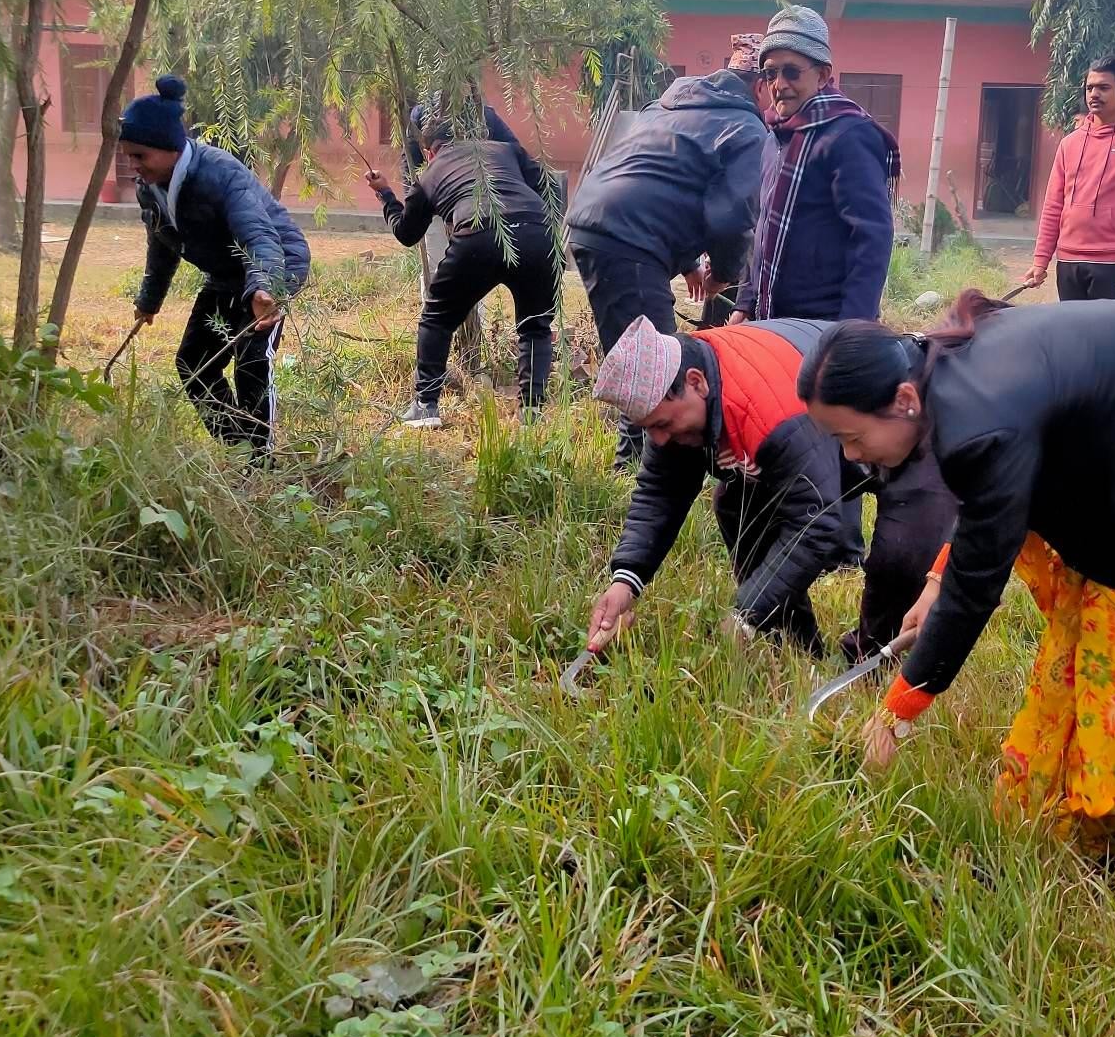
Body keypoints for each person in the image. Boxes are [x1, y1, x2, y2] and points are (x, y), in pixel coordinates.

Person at [796, 295, 1115, 852]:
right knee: (1106, 613)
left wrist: (898, 712)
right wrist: (936, 581)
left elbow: (978, 582)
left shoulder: (975, 416)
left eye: (852, 438)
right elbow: (993, 500)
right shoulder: (941, 370)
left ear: (902, 400)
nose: (852, 456)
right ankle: (1100, 797)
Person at [583, 315, 953, 660]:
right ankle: (793, 647)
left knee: (902, 553)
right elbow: (659, 493)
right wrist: (624, 582)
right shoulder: (673, 392)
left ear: (696, 382)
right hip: (826, 431)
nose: (660, 440)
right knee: (739, 504)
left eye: (662, 424)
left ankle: (870, 663)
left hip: (900, 415)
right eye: (651, 429)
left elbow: (815, 525)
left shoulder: (769, 406)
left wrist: (746, 611)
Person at [565, 66, 768, 464]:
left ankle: (636, 463)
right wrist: (724, 274)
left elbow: (663, 179)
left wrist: (688, 259)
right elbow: (731, 216)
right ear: (758, 88)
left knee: (639, 354)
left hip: (601, 220)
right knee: (654, 368)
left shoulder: (668, 107)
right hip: (629, 237)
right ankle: (637, 472)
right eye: (772, 79)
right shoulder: (748, 128)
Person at [126, 76, 310, 457]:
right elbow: (161, 248)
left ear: (169, 148)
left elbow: (259, 236)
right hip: (226, 274)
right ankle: (240, 446)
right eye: (129, 156)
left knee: (252, 361)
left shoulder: (219, 174)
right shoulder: (149, 189)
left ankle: (262, 461)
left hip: (275, 264)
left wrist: (266, 289)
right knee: (193, 364)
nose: (134, 166)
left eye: (140, 156)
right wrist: (149, 300)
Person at [366, 112, 558, 429]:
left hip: (477, 237)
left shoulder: (430, 174)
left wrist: (386, 194)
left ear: (430, 151)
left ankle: (425, 405)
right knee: (535, 327)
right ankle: (532, 412)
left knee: (437, 319)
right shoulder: (504, 149)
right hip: (537, 235)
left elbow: (407, 233)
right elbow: (547, 185)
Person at [732, 6, 897, 324]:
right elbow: (762, 229)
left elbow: (871, 237)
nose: (779, 84)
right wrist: (744, 303)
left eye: (791, 72)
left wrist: (852, 328)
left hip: (824, 324)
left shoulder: (849, 136)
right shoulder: (774, 138)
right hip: (770, 320)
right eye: (770, 73)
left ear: (822, 75)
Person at [1020, 56, 1115, 302]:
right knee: (1074, 336)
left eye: (1104, 87)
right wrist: (1041, 260)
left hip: (1113, 262)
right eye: (1089, 88)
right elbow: (1053, 205)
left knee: (1108, 337)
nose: (1094, 94)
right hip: (1068, 260)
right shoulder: (1070, 143)